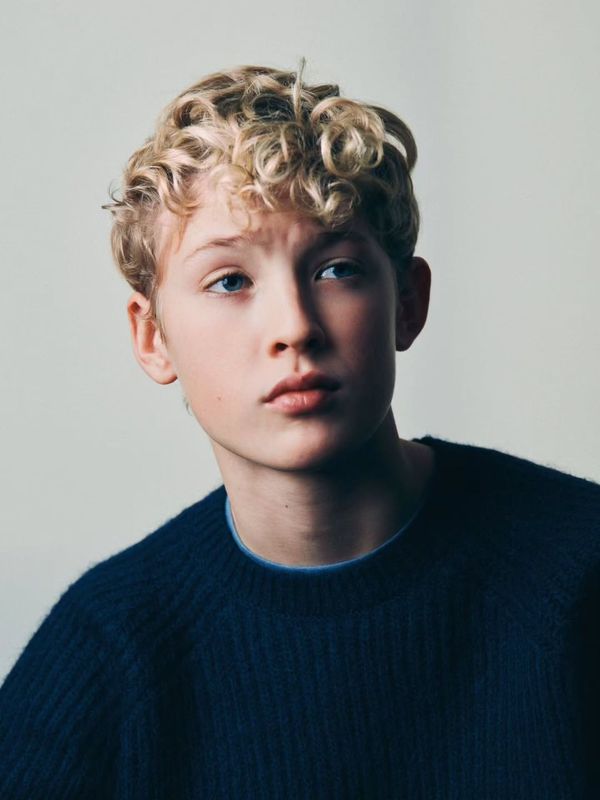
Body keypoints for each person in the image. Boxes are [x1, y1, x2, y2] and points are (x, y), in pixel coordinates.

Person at [0, 63, 598, 799]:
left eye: (336, 269)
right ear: (153, 337)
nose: (293, 327)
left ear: (408, 302)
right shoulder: (107, 654)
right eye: (230, 281)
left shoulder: (578, 572)